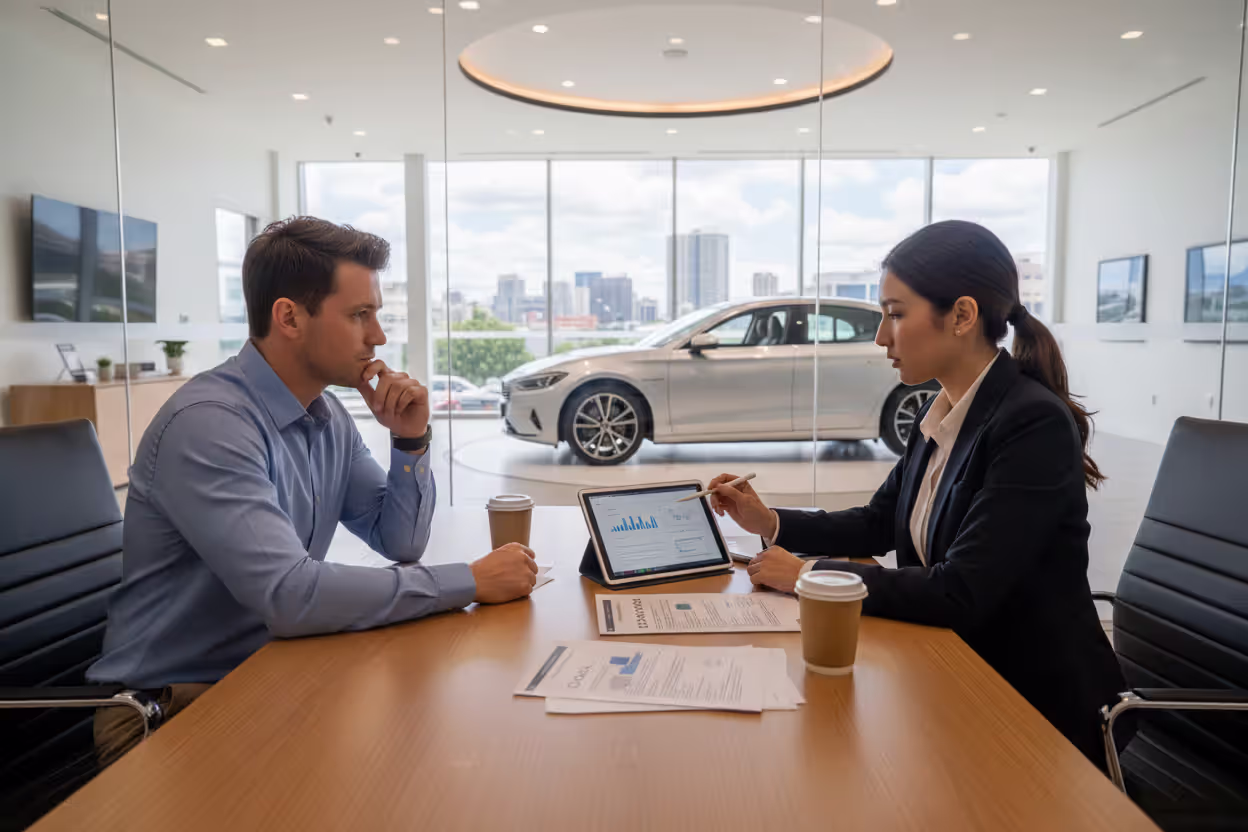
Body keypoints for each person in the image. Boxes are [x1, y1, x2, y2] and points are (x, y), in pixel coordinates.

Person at [87, 217, 537, 765]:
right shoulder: (211, 424)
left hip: (264, 676)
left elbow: (399, 539)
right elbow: (291, 596)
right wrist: (469, 580)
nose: (378, 337)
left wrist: (411, 439)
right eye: (359, 315)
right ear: (289, 317)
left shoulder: (326, 417)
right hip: (167, 712)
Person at [709, 220, 1125, 768]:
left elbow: (960, 591)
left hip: (1029, 710)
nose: (882, 336)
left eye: (896, 314)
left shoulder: (1031, 425)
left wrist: (809, 578)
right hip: (951, 674)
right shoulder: (943, 415)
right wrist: (769, 522)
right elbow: (878, 523)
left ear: (962, 316)